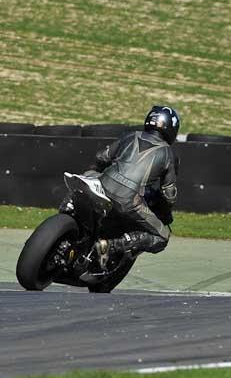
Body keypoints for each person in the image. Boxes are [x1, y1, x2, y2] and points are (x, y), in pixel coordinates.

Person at [68, 105, 180, 268]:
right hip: (130, 200)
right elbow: (168, 193)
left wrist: (92, 172)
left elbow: (102, 157)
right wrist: (166, 212)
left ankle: (69, 207)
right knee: (163, 236)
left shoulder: (130, 136)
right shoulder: (169, 154)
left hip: (102, 184)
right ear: (171, 128)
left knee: (87, 177)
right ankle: (112, 245)